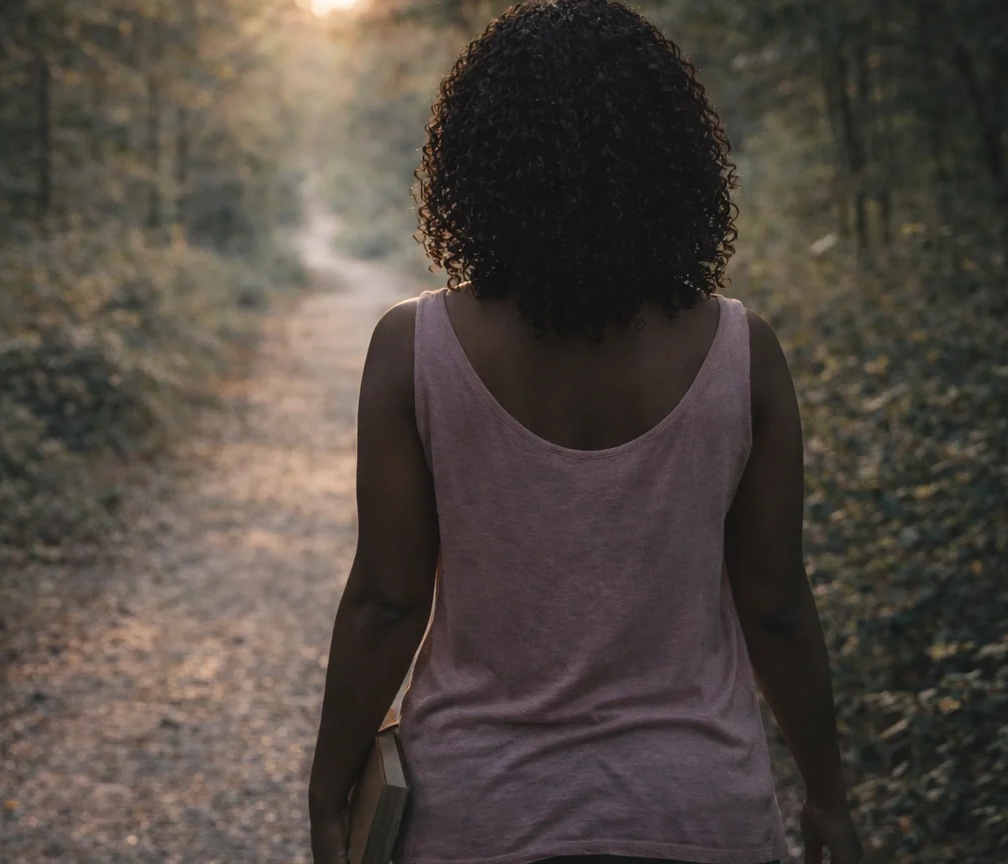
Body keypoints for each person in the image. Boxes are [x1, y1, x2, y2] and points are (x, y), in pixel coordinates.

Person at [307, 2, 866, 863]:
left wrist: (329, 787)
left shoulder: (412, 349)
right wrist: (827, 798)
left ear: (478, 162)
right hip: (696, 813)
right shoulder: (740, 353)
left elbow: (389, 599)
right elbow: (778, 606)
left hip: (481, 813)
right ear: (674, 162)